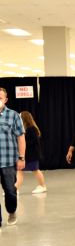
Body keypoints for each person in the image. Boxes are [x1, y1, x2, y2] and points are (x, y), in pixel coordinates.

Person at [0, 87, 25, 227]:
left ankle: (11, 211)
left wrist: (21, 158)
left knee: (10, 190)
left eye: (0, 97)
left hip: (8, 161)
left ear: (5, 99)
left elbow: (21, 137)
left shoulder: (13, 115)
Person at [15, 111, 47, 194]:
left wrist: (22, 143)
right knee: (19, 171)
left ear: (24, 118)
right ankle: (15, 189)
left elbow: (33, 142)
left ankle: (42, 186)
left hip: (32, 155)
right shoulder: (25, 129)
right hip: (25, 155)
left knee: (35, 170)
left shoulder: (31, 129)